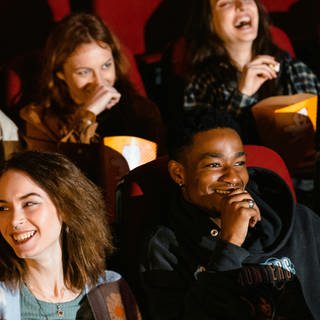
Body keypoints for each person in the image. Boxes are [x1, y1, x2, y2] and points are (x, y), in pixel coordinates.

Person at [140, 107, 320, 319]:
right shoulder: (165, 246)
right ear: (179, 173)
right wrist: (230, 244)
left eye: (239, 163)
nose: (233, 177)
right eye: (214, 165)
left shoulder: (300, 221)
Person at [181, 0, 320, 173]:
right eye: (225, 3)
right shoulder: (202, 83)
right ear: (209, 22)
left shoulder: (293, 70)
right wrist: (243, 94)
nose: (241, 5)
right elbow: (202, 151)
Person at [0, 150, 141, 319]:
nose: (15, 220)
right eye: (3, 208)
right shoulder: (3, 299)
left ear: (65, 209)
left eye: (29, 203)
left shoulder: (111, 289)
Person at [18, 12, 165, 154]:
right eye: (84, 72)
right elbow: (57, 176)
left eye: (106, 66)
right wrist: (86, 118)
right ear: (60, 73)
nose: (100, 81)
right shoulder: (39, 120)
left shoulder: (140, 111)